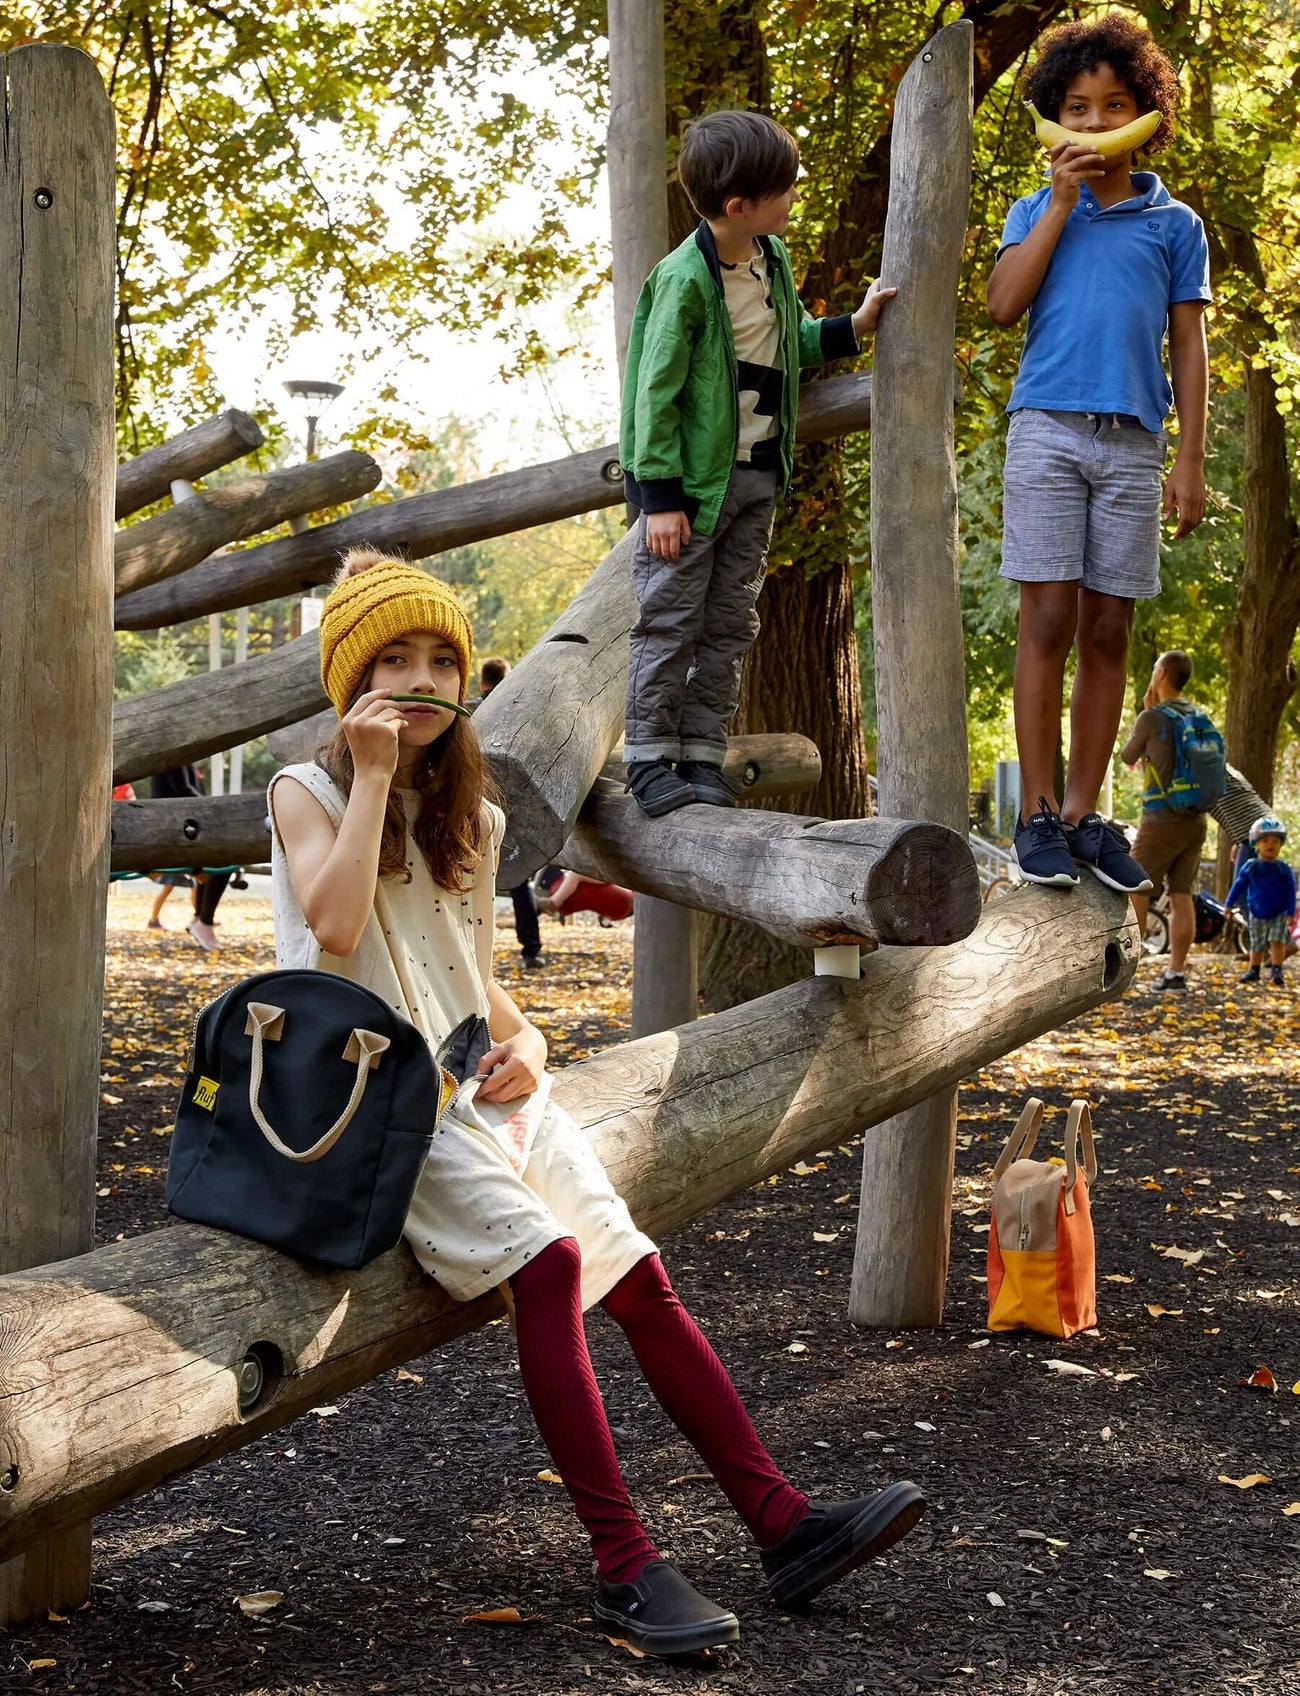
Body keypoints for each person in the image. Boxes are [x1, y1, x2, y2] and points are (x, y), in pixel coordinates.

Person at [267, 549, 924, 1658]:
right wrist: (370, 774)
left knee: (639, 1274)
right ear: (350, 679)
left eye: (442, 659)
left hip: (475, 1085)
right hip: (373, 1106)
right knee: (554, 1264)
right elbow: (333, 932)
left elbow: (470, 979)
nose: (423, 681)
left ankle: (781, 1522)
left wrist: (528, 1041)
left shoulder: (462, 810)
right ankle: (625, 1565)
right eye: (394, 660)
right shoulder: (310, 789)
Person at [985, 16, 1211, 890]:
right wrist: (1062, 206)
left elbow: (1188, 344)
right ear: (1055, 116)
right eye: (1077, 107)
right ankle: (1036, 812)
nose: (1093, 122)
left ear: (1144, 112)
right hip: (1046, 428)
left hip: (1133, 443)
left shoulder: (1174, 224)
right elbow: (1004, 305)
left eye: (1114, 105)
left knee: (1109, 628)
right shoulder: (1035, 208)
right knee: (1045, 619)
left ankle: (1085, 813)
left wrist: (1188, 460)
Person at [620, 109, 895, 817]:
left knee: (731, 622)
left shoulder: (770, 261)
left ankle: (703, 753)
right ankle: (649, 756)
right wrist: (659, 497)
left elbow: (785, 345)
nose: (795, 194)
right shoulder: (684, 280)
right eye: (785, 188)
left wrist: (851, 328)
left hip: (755, 477)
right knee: (670, 620)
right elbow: (655, 392)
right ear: (741, 206)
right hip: (691, 489)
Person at [1120, 651, 1217, 992]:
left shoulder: (1153, 717)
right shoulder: (1199, 715)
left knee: (1135, 886)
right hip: (1196, 818)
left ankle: (1126, 974)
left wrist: (1144, 711)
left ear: (1160, 673)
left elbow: (1128, 756)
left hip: (1161, 819)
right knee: (1181, 895)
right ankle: (1175, 974)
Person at [470, 654, 544, 970]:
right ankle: (531, 949)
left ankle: (471, 955)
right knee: (519, 886)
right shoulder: (520, 711)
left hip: (472, 804)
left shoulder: (471, 711)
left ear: (484, 682)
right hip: (511, 808)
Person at [149, 766, 231, 950]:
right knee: (224, 862)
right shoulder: (173, 755)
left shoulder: (181, 759)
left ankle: (199, 918)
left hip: (180, 828)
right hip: (173, 832)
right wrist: (217, 810)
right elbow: (183, 789)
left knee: (216, 865)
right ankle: (204, 922)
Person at [1225, 816, 1295, 986]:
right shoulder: (1251, 866)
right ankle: (1254, 969)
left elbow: (1290, 890)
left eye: (1275, 841)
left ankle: (1277, 969)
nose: (1270, 845)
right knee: (1256, 943)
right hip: (1256, 911)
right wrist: (1229, 904)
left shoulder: (1283, 868)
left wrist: (1291, 912)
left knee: (1277, 941)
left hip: (1278, 913)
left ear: (1281, 845)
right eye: (1265, 841)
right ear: (1256, 844)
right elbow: (1238, 885)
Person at [536, 867, 635, 925]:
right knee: (577, 875)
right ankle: (552, 905)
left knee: (576, 874)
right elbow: (604, 917)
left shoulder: (627, 894)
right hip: (567, 906)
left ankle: (554, 902)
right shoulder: (620, 912)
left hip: (562, 902)